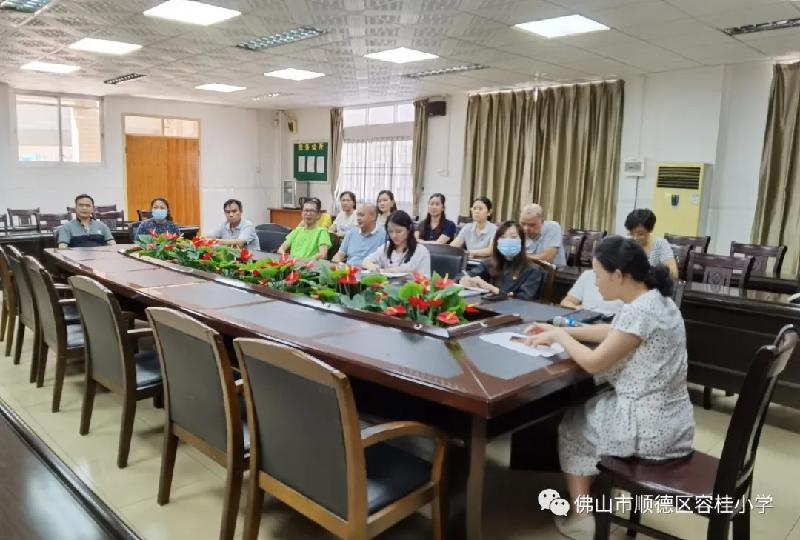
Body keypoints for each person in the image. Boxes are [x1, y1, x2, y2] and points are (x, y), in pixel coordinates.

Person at [524, 236, 694, 538]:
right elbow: (615, 331)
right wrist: (561, 328)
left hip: (649, 427)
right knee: (590, 407)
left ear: (617, 275)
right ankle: (595, 493)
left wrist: (560, 338)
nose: (595, 281)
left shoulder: (641, 310)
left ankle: (582, 516)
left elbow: (593, 363)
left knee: (574, 424)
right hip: (674, 419)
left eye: (598, 274)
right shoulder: (655, 299)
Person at [459, 221, 543, 300]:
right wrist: (464, 280)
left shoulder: (533, 270)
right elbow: (462, 276)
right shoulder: (489, 263)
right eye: (503, 237)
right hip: (486, 306)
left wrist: (490, 288)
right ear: (497, 242)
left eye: (513, 237)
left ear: (522, 241)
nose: (508, 240)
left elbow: (524, 298)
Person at [363, 210, 430, 276]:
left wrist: (402, 271)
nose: (394, 235)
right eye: (390, 231)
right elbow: (365, 261)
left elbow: (425, 278)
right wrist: (372, 266)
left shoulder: (421, 251)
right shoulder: (386, 247)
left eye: (398, 231)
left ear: (409, 229)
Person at [625, 208, 679, 278]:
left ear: (650, 230)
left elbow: (674, 274)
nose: (635, 238)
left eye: (640, 234)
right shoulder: (626, 243)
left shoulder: (660, 245)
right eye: (631, 233)